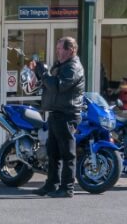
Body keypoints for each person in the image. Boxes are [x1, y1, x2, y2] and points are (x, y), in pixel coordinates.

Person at [32, 37, 85, 198]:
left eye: (60, 48)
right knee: (53, 152)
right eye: (57, 48)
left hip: (67, 114)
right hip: (56, 113)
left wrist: (44, 73)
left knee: (67, 154)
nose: (57, 51)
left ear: (71, 50)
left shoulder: (73, 67)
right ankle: (51, 184)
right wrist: (38, 72)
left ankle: (67, 188)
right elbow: (49, 83)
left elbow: (57, 86)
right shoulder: (62, 65)